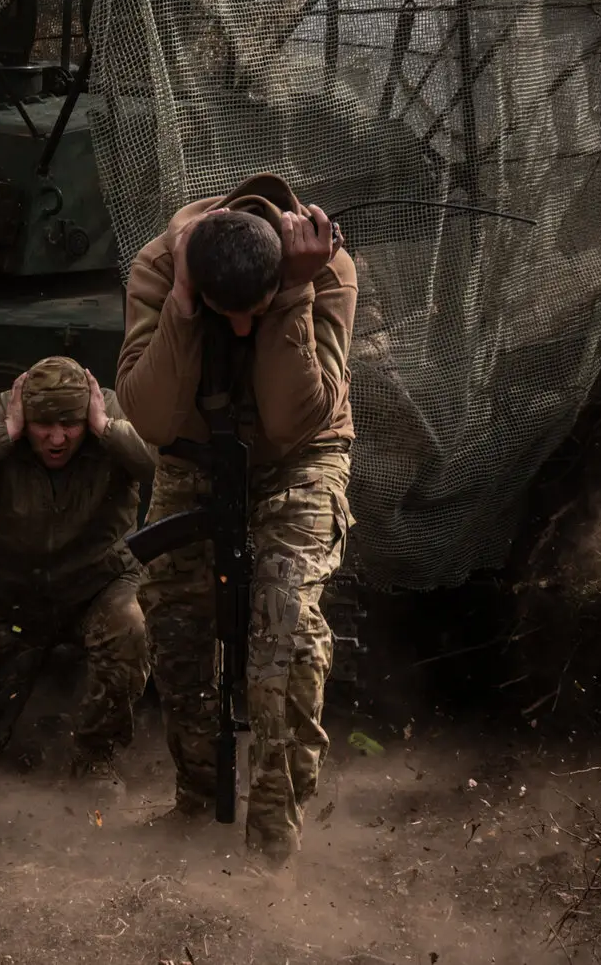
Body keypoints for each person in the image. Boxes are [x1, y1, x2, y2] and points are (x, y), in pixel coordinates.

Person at [115, 172, 356, 865]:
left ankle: (274, 832)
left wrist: (293, 293)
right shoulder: (162, 267)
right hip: (193, 452)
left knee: (283, 619)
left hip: (300, 454)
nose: (243, 326)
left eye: (254, 310)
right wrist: (185, 308)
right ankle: (197, 800)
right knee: (174, 620)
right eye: (233, 313)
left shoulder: (327, 266)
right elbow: (153, 415)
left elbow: (293, 417)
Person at [0, 356, 155, 788]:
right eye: (43, 426)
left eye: (70, 425)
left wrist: (106, 429)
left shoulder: (110, 412)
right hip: (12, 599)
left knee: (130, 625)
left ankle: (95, 760)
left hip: (99, 585)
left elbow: (166, 463)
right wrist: (6, 432)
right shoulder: (1, 414)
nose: (57, 439)